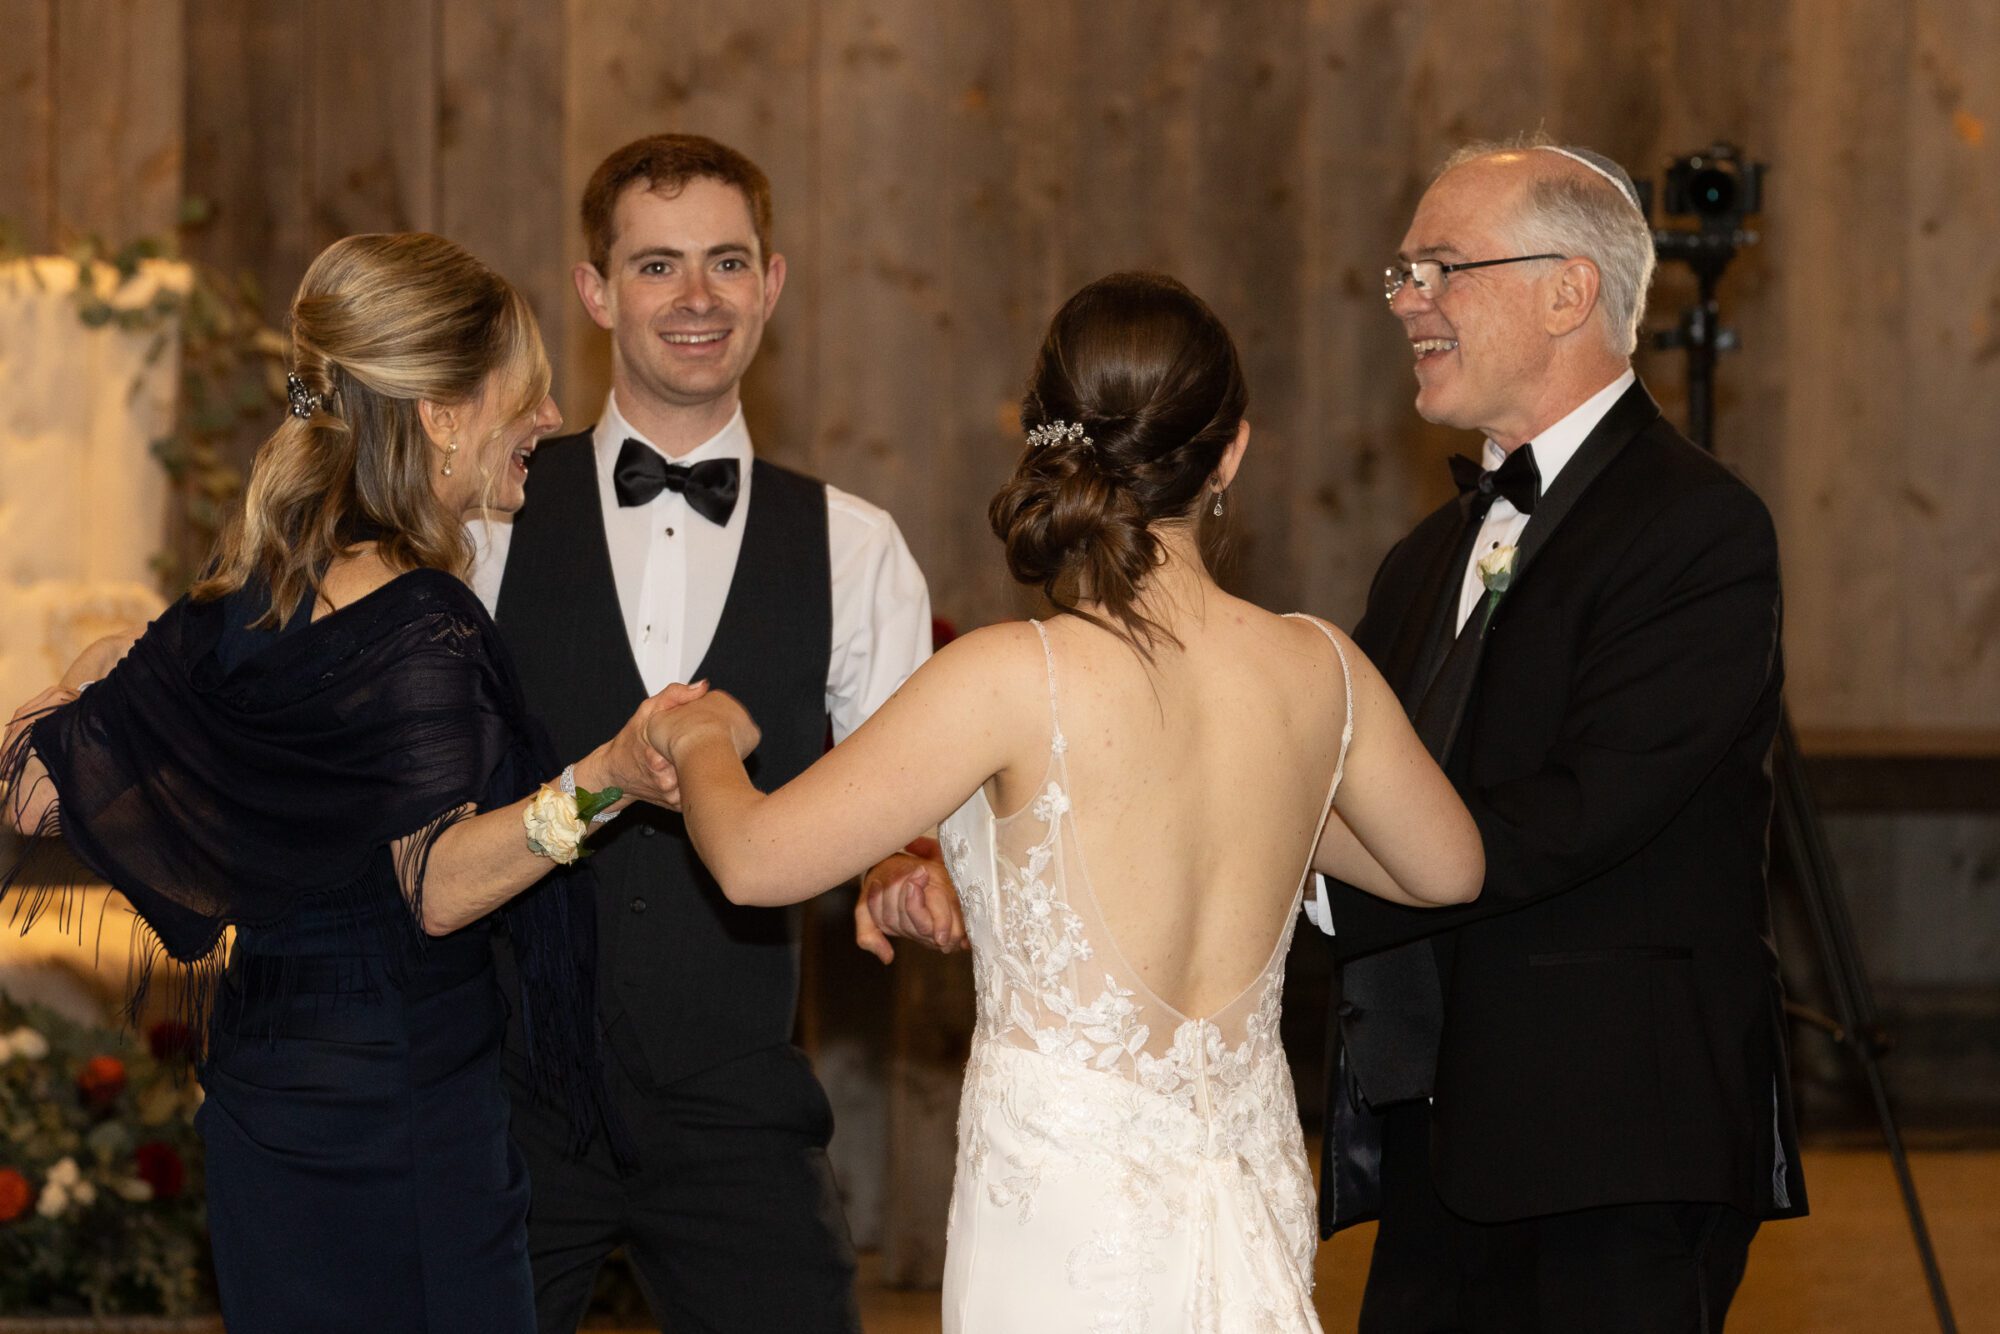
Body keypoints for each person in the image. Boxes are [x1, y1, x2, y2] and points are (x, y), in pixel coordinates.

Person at [643, 272, 1485, 1333]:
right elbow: (1447, 868)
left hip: (1062, 1227)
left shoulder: (1013, 676)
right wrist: (1279, 806)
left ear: (1049, 442)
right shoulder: (1321, 667)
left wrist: (700, 737)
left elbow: (753, 860)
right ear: (1229, 452)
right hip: (1249, 1198)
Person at [0, 232, 691, 1334]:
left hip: (264, 1100)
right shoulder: (423, 621)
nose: (551, 417)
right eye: (526, 391)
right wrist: (606, 780)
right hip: (400, 1121)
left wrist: (98, 673)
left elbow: (31, 789)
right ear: (442, 414)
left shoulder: (242, 604)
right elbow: (437, 887)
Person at [1310, 136, 1807, 1332]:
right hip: (1435, 1133)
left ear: (1565, 291)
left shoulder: (1697, 528)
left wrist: (1310, 882)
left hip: (1613, 1141)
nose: (1406, 301)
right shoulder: (1421, 557)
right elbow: (1339, 777)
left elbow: (1584, 809)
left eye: (1440, 267)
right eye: (1401, 272)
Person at [470, 133, 935, 1333]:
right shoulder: (487, 520)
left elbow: (899, 803)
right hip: (510, 1090)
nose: (696, 297)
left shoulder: (854, 545)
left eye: (726, 262)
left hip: (735, 1096)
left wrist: (896, 866)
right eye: (656, 265)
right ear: (595, 290)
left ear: (769, 284)